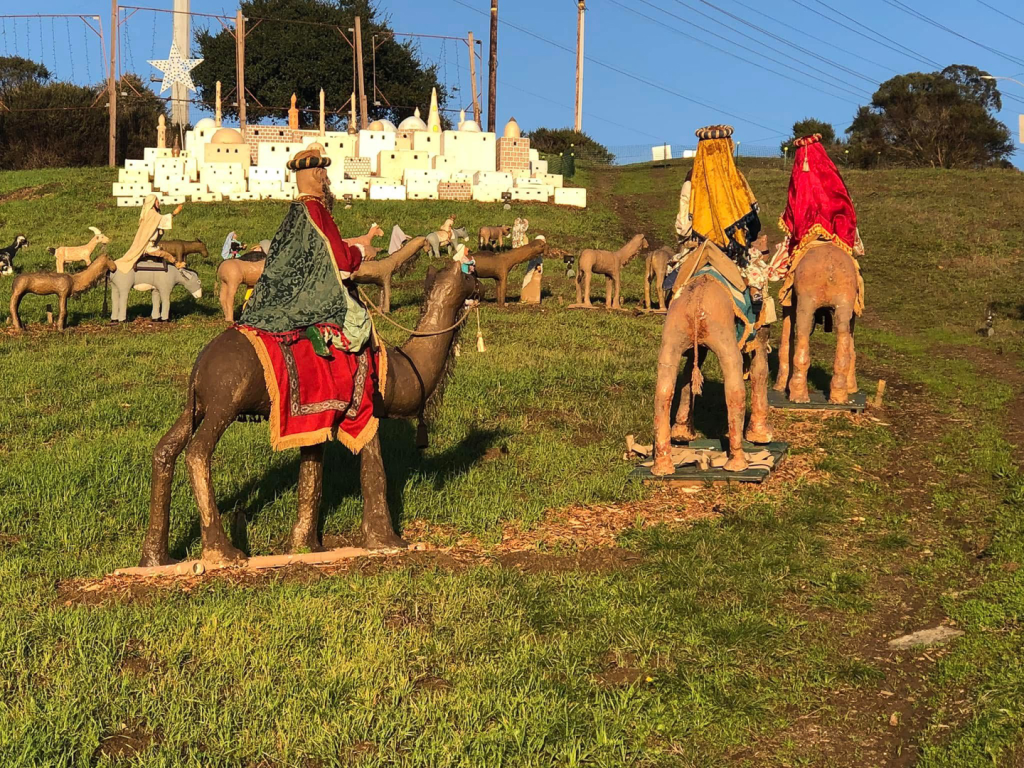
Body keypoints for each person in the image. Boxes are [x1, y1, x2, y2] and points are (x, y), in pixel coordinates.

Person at [239, 147, 371, 356]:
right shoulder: (317, 211)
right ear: (318, 174)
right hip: (315, 296)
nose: (328, 182)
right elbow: (342, 267)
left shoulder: (294, 213)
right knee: (360, 328)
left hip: (278, 299)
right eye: (325, 176)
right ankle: (322, 331)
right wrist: (360, 250)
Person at [115, 194, 184, 273]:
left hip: (152, 245)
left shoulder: (151, 214)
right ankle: (177, 264)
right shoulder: (152, 214)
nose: (158, 202)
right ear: (152, 203)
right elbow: (163, 220)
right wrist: (174, 213)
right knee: (165, 254)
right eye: (157, 201)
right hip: (149, 247)